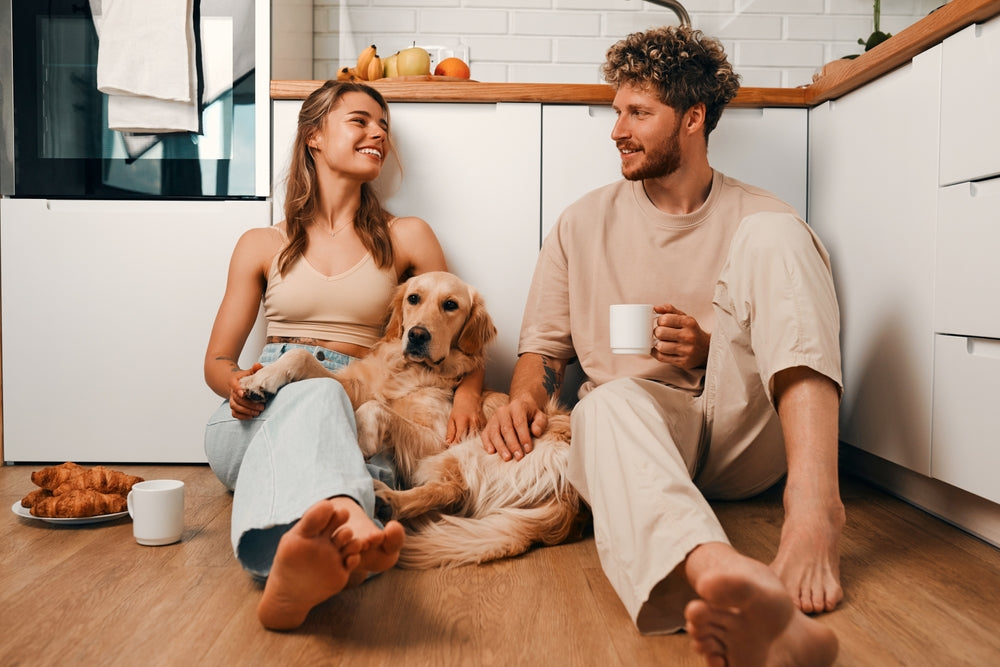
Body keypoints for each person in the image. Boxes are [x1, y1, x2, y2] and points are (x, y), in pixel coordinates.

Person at [480, 26, 843, 666]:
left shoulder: (759, 214)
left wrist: (708, 350)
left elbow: (783, 339)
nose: (617, 129)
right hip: (639, 435)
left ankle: (814, 511)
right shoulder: (582, 221)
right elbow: (543, 349)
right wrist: (524, 396)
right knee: (606, 401)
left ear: (694, 119)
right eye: (617, 111)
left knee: (779, 236)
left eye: (639, 113)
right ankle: (725, 579)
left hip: (741, 432)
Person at [203, 80, 485, 631]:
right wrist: (238, 386)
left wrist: (468, 399)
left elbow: (464, 332)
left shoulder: (406, 236)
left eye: (384, 126)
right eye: (360, 120)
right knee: (314, 393)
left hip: (366, 404)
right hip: (264, 403)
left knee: (355, 432)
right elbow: (217, 361)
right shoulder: (262, 243)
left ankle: (289, 566)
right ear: (314, 135)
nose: (378, 132)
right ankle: (350, 525)